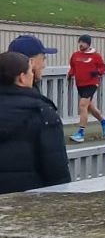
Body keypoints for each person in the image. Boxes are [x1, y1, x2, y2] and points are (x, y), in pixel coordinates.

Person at [0, 51, 70, 194]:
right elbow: (56, 169)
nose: (33, 75)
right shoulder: (42, 113)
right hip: (27, 200)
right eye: (30, 72)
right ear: (21, 78)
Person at [67, 34, 105, 142]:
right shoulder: (75, 55)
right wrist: (70, 75)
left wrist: (97, 72)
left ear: (88, 44)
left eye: (83, 42)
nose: (80, 44)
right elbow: (73, 67)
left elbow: (103, 67)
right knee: (89, 107)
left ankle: (80, 133)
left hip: (91, 83)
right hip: (80, 84)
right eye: (79, 42)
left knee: (82, 105)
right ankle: (103, 121)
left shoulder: (95, 56)